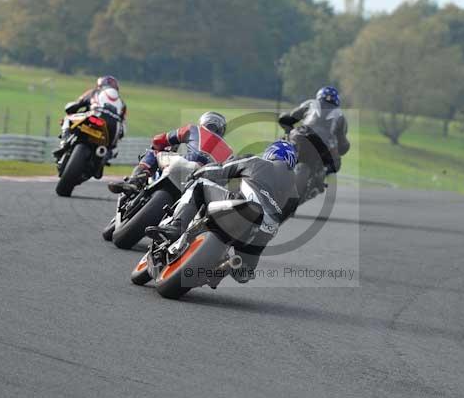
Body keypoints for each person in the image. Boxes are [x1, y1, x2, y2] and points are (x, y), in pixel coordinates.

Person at [145, 140, 300, 284]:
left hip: (243, 207)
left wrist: (198, 173)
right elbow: (280, 220)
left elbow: (222, 169)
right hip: (260, 233)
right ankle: (234, 266)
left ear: (271, 153)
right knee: (244, 266)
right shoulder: (295, 195)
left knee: (199, 184)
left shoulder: (258, 162)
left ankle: (176, 227)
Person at [107, 112, 233, 194]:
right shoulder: (229, 151)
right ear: (222, 130)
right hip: (204, 182)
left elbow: (159, 139)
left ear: (203, 122)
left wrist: (158, 146)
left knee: (154, 153)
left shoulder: (194, 129)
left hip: (185, 163)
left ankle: (134, 181)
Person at [278, 86, 350, 200]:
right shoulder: (340, 115)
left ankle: (272, 168)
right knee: (336, 163)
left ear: (319, 96)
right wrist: (341, 149)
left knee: (283, 142)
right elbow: (343, 143)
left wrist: (288, 129)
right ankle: (318, 181)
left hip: (301, 137)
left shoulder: (311, 103)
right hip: (324, 146)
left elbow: (289, 118)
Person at [57, 76, 127, 162]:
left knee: (67, 118)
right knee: (111, 148)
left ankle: (64, 141)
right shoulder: (122, 103)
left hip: (94, 115)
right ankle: (105, 156)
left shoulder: (94, 92)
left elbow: (76, 105)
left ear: (100, 84)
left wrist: (71, 109)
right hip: (114, 126)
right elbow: (123, 129)